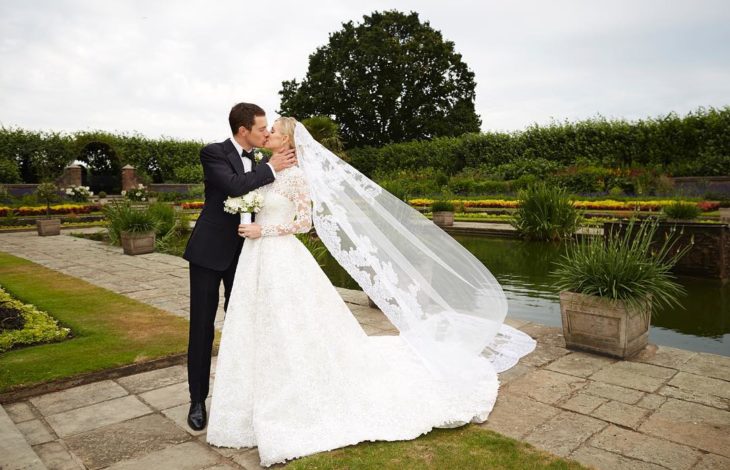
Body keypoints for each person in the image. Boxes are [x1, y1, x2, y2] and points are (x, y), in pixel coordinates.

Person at [205, 117, 537, 467]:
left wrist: (265, 229)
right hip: (257, 259)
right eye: (265, 129)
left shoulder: (298, 178)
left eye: (273, 130)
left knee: (291, 321)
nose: (267, 133)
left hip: (279, 253)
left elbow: (305, 223)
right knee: (258, 323)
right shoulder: (267, 171)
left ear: (287, 139)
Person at [182, 103, 297, 431]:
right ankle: (197, 400)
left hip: (247, 255)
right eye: (261, 128)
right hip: (208, 254)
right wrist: (272, 168)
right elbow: (233, 186)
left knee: (244, 326)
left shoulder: (263, 159)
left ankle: (241, 397)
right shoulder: (213, 153)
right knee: (202, 328)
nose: (266, 133)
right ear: (243, 130)